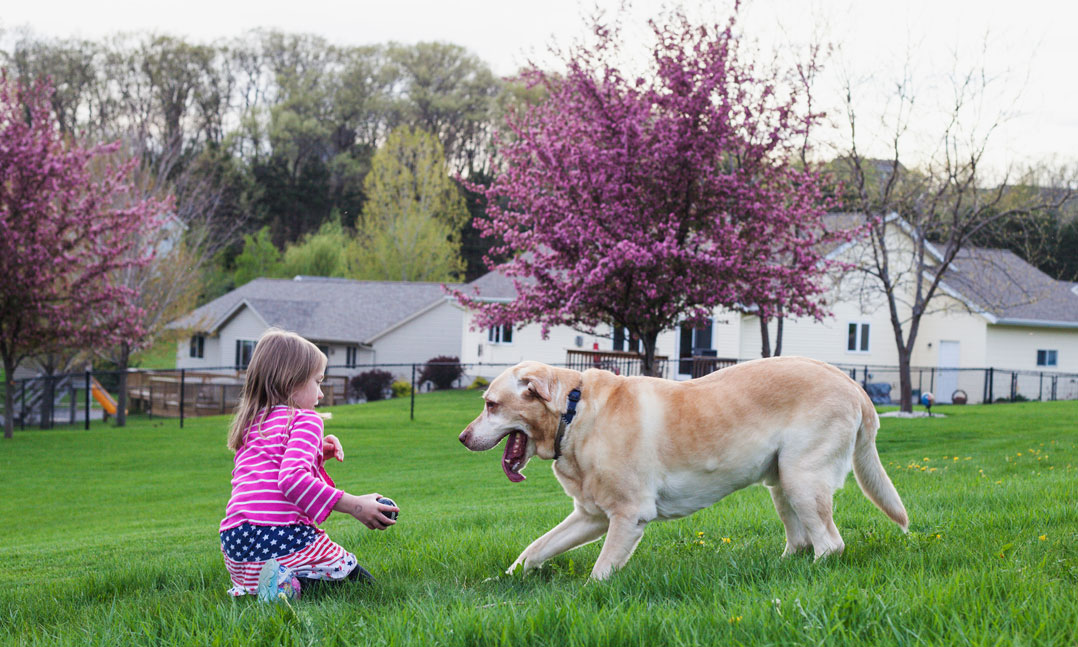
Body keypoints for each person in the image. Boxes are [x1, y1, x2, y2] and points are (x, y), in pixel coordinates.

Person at [219, 328, 398, 599]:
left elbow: (270, 471)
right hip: (278, 535)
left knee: (300, 576)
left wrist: (316, 455)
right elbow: (291, 480)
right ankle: (283, 583)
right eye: (318, 382)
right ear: (291, 382)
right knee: (362, 586)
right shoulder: (307, 419)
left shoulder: (251, 424)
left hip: (236, 541)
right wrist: (357, 506)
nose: (321, 394)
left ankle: (277, 585)